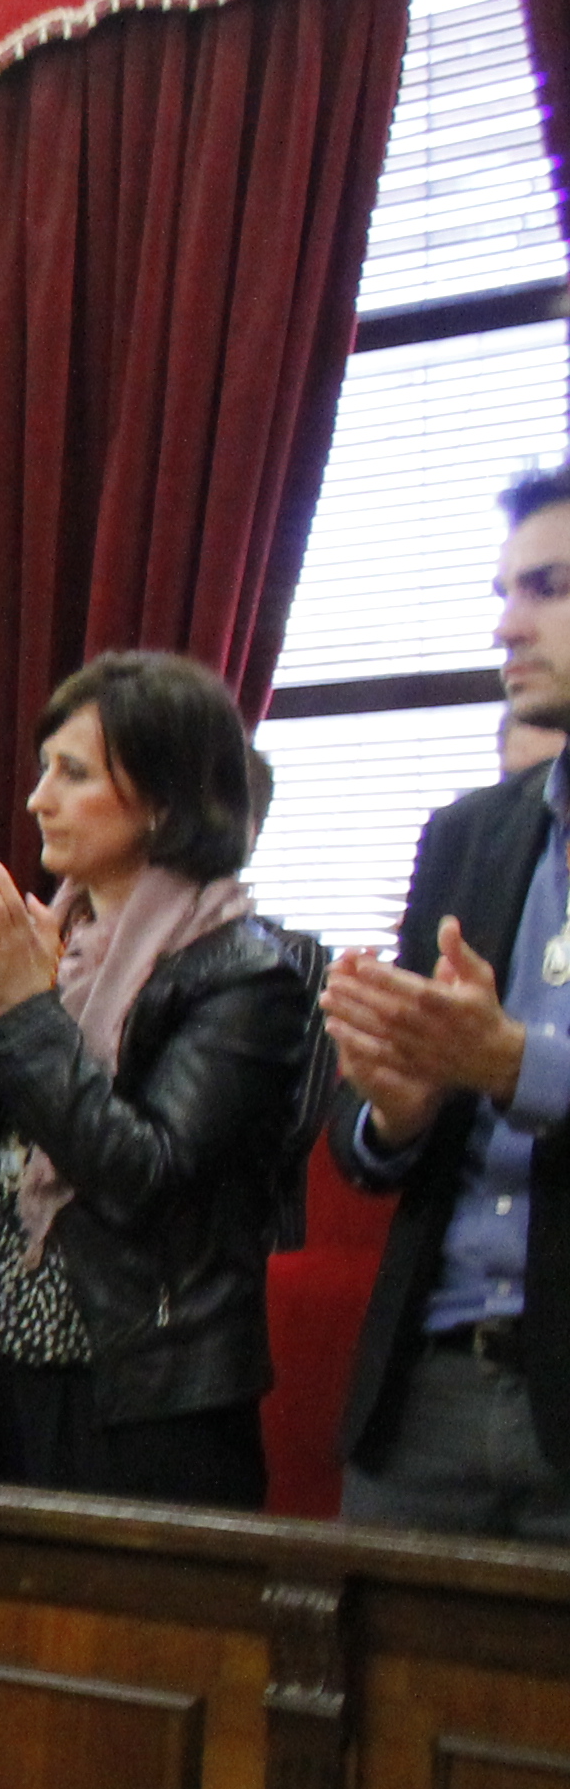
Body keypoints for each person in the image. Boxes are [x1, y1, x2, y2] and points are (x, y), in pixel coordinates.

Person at [0, 650, 312, 1507]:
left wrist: (26, 1016)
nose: (36, 799)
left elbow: (144, 1174)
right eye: (43, 768)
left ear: (165, 802)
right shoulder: (43, 941)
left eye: (74, 773)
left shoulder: (242, 975)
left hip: (133, 1395)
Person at [324, 470, 570, 1542]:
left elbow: (498, 1059)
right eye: (504, 591)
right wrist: (395, 1111)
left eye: (549, 588)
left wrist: (516, 1065)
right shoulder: (469, 833)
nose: (507, 625)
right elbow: (370, 1141)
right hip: (427, 1385)